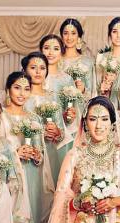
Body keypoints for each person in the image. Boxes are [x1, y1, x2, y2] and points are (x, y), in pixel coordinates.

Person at [1, 72, 55, 223]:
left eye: (25, 89)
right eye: (17, 88)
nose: (22, 93)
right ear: (8, 90)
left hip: (31, 178)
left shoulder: (34, 118)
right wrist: (14, 154)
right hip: (9, 181)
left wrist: (36, 155)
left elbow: (41, 152)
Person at [22, 52, 71, 184]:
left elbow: (61, 133)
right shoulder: (21, 98)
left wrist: (57, 132)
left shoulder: (53, 97)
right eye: (33, 68)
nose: (38, 72)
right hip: (30, 154)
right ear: (25, 70)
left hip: (51, 152)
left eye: (42, 68)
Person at [95, 17, 120, 106]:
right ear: (110, 34)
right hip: (107, 103)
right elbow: (96, 85)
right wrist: (103, 89)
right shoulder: (101, 58)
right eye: (114, 31)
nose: (118, 36)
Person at [60, 18, 96, 99]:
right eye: (66, 33)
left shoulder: (87, 62)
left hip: (80, 107)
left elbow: (92, 91)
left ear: (79, 37)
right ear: (62, 37)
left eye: (73, 33)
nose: (69, 37)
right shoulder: (56, 61)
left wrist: (83, 89)